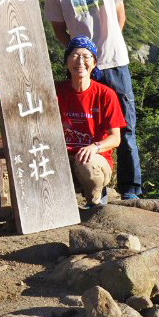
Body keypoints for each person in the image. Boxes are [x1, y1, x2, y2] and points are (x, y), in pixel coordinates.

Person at [45, 0, 142, 200]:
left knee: (125, 126)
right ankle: (94, 186)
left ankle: (131, 189)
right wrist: (80, 55)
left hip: (114, 61)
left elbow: (119, 17)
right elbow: (59, 31)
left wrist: (106, 47)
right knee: (85, 124)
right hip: (82, 69)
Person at [56, 37, 124, 207]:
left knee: (86, 162)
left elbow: (115, 138)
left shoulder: (105, 94)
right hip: (62, 157)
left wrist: (94, 147)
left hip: (95, 159)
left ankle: (95, 201)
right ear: (66, 62)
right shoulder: (55, 92)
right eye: (74, 56)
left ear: (94, 63)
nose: (80, 62)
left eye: (86, 57)